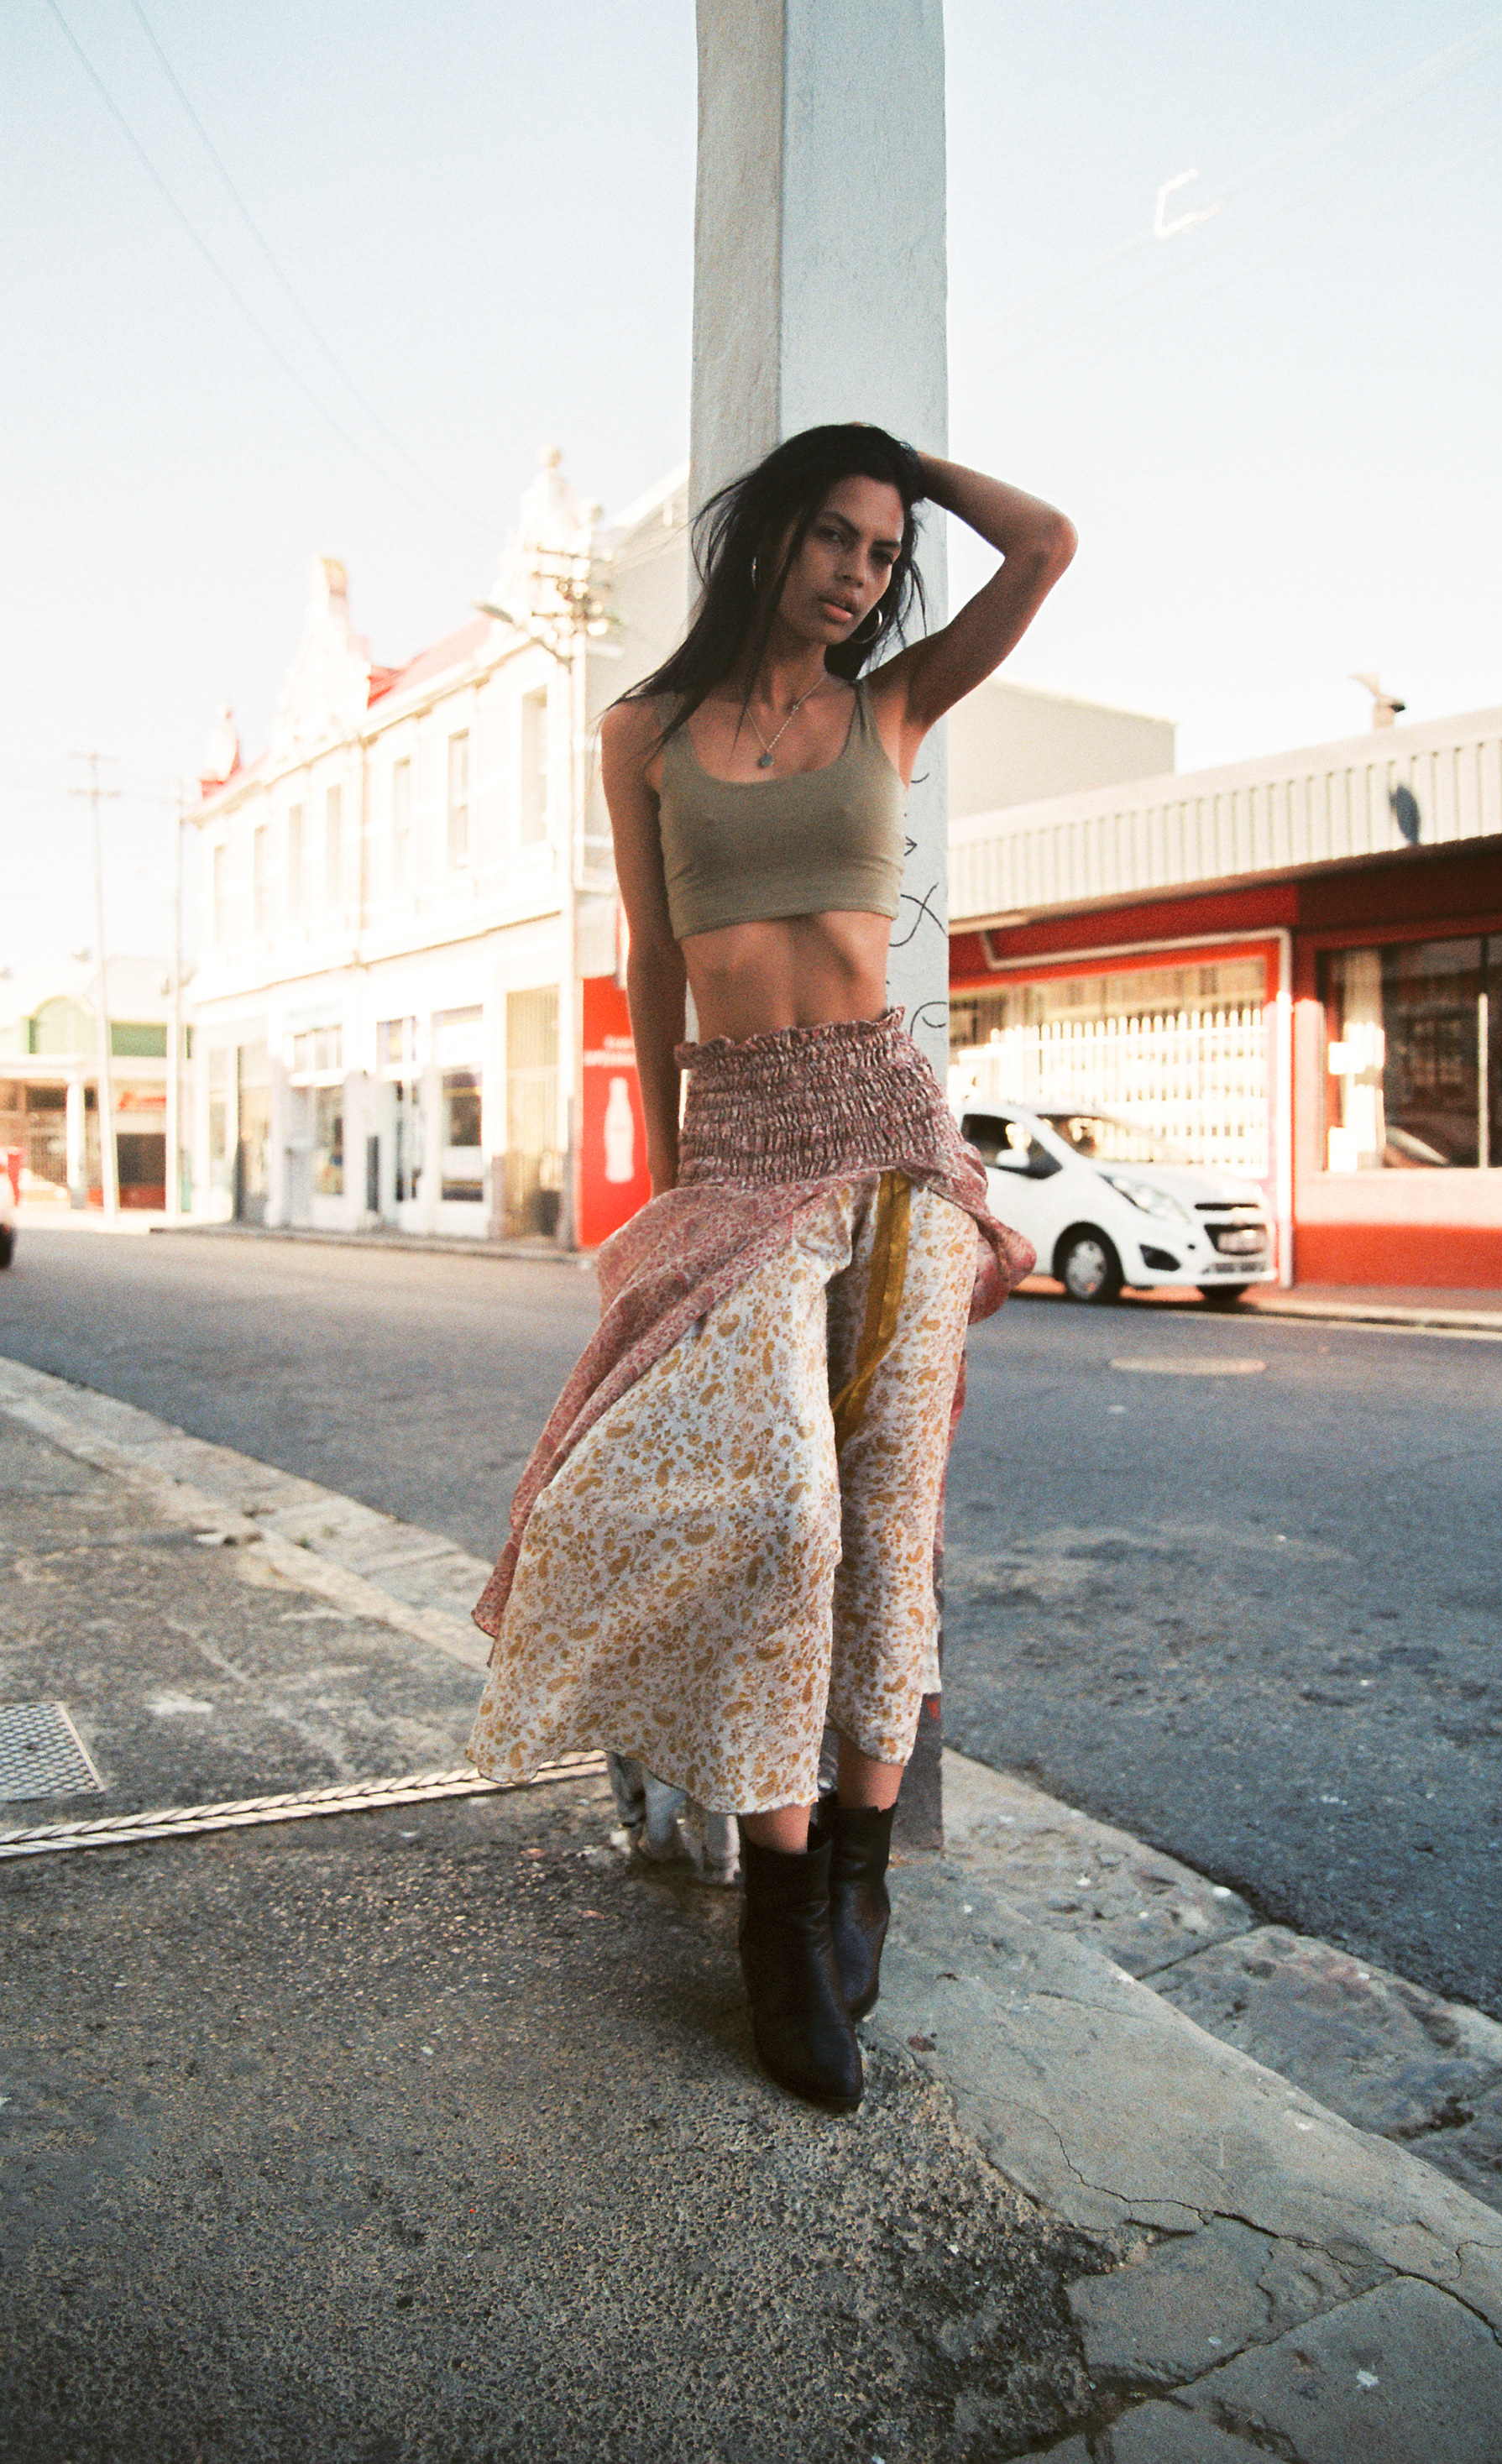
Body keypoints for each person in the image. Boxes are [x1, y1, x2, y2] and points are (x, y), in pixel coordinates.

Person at [469, 424, 1074, 2111]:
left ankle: (858, 1872)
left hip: (891, 1132)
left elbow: (1046, 545)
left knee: (888, 1517)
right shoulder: (644, 733)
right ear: (769, 538)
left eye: (883, 552)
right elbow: (648, 955)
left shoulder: (893, 704)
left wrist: (913, 471)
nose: (859, 576)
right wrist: (680, 1171)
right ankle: (777, 1900)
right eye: (833, 535)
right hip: (741, 1142)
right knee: (784, 1517)